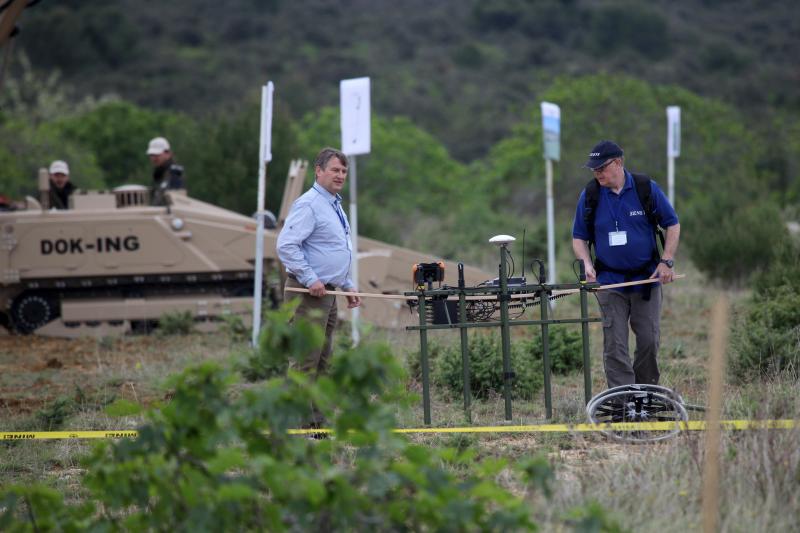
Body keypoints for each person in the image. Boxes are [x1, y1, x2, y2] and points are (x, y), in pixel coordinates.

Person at [572, 140, 680, 388]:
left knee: (649, 341)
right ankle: (623, 400)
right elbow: (579, 237)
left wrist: (667, 261)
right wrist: (587, 263)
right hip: (609, 282)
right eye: (593, 169)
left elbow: (672, 223)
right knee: (615, 344)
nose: (597, 173)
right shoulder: (590, 195)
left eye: (601, 167)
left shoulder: (646, 189)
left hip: (647, 280)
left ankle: (646, 392)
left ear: (618, 163)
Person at [277, 147, 362, 381]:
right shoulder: (309, 204)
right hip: (307, 292)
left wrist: (347, 284)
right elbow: (286, 245)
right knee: (306, 360)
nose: (340, 175)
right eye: (335, 169)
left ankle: (316, 418)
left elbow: (331, 250)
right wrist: (310, 278)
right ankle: (295, 417)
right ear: (318, 171)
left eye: (344, 171)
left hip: (327, 292)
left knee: (323, 359)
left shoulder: (334, 204)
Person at [145, 136, 184, 206]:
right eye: (151, 155)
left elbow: (177, 201)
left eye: (157, 154)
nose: (154, 158)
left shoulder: (174, 174)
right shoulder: (158, 174)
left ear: (167, 154)